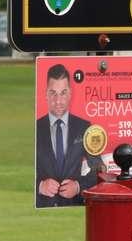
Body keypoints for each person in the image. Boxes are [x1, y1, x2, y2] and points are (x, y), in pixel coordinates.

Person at [36, 63, 103, 208]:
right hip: (42, 209)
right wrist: (40, 186)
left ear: (70, 94)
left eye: (63, 92)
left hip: (74, 208)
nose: (58, 101)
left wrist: (78, 186)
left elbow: (100, 169)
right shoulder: (35, 128)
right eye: (53, 93)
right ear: (46, 94)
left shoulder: (84, 127)